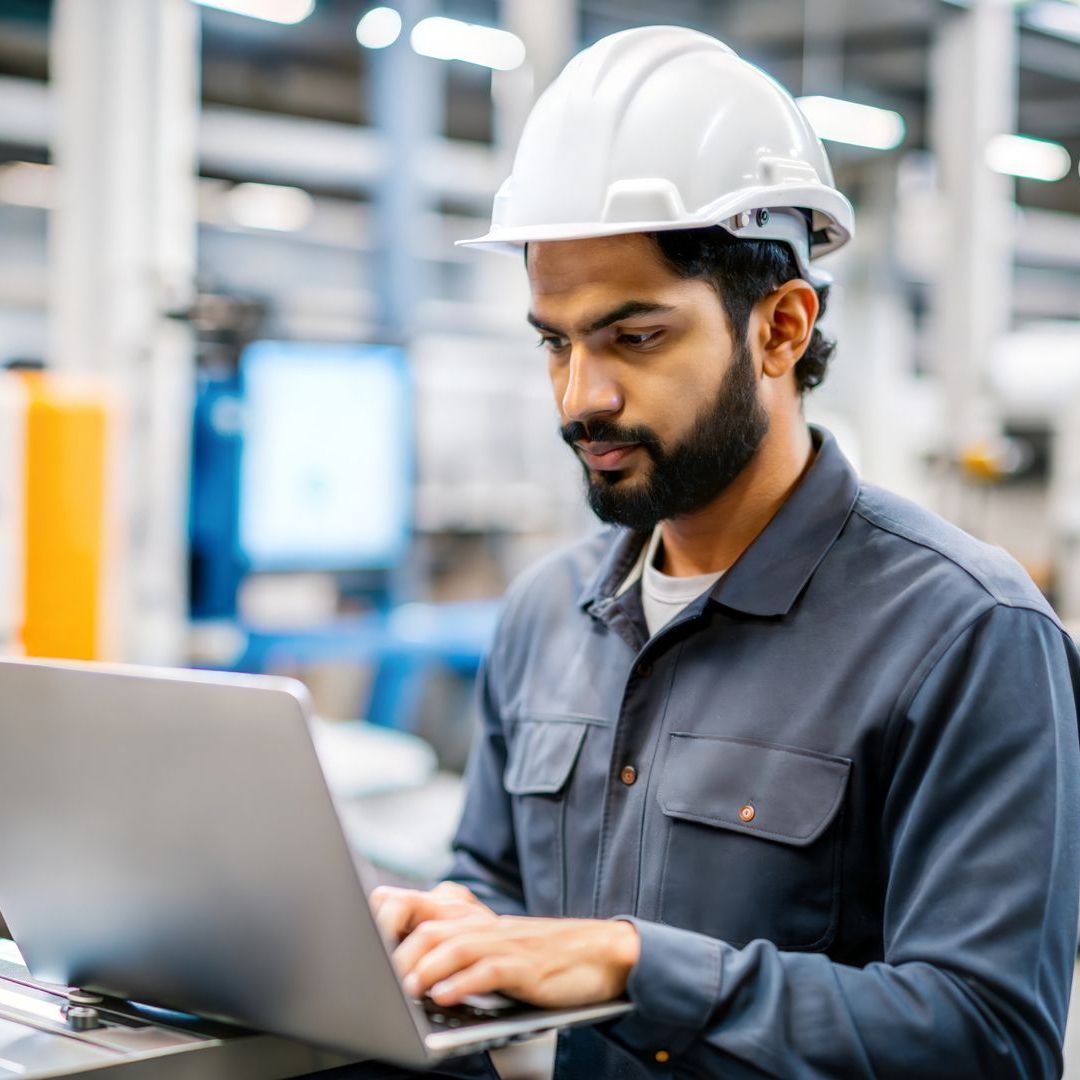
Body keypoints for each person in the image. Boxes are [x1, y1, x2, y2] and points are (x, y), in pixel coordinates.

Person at [369, 25, 1080, 1079]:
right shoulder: (542, 613)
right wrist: (436, 939)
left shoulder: (969, 636)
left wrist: (630, 965)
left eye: (635, 337)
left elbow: (987, 1036)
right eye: (555, 342)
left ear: (782, 327)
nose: (581, 397)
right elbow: (497, 895)